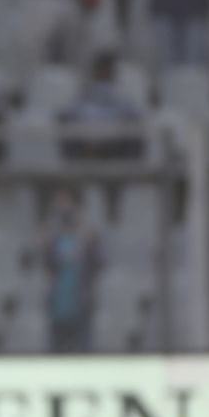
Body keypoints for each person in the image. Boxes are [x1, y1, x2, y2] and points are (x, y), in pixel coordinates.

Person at [42, 189, 103, 353]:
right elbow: (45, 263)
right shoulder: (54, 237)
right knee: (57, 353)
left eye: (65, 204)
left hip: (81, 304)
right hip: (58, 305)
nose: (62, 211)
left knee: (82, 353)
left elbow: (100, 262)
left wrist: (88, 243)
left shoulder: (89, 236)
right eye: (58, 207)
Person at [58, 49, 144, 159]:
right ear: (95, 73)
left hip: (117, 147)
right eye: (102, 70)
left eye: (107, 70)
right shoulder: (83, 98)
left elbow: (135, 116)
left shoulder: (122, 98)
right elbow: (64, 115)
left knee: (135, 128)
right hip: (86, 148)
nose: (104, 73)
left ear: (112, 74)